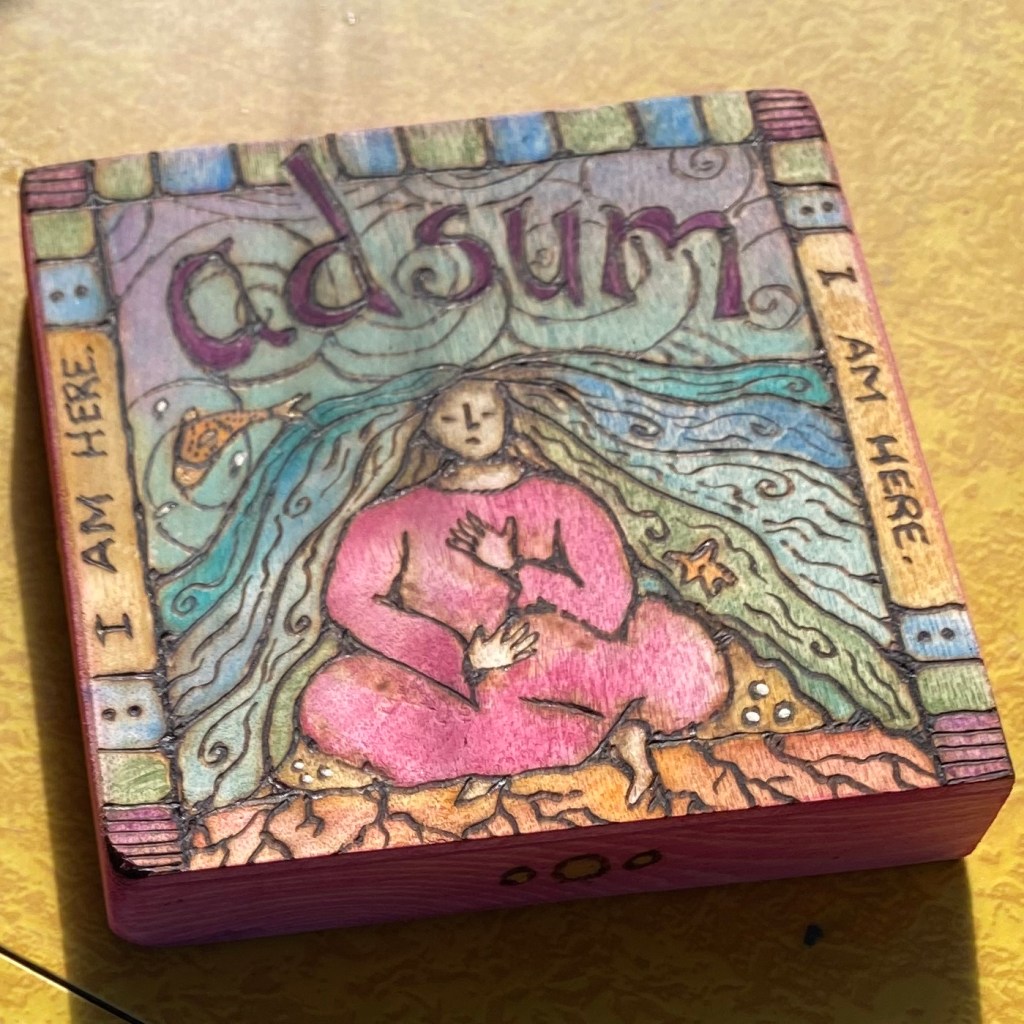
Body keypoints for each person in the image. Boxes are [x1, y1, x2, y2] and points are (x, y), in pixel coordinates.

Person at [296, 377, 730, 804]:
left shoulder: (563, 499)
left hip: (568, 666)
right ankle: (575, 739)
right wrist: (460, 659)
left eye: (485, 413)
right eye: (452, 417)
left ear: (508, 417)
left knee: (676, 652)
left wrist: (516, 569)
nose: (472, 426)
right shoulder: (394, 516)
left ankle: (578, 737)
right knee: (339, 696)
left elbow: (609, 600)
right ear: (428, 428)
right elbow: (351, 600)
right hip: (461, 686)